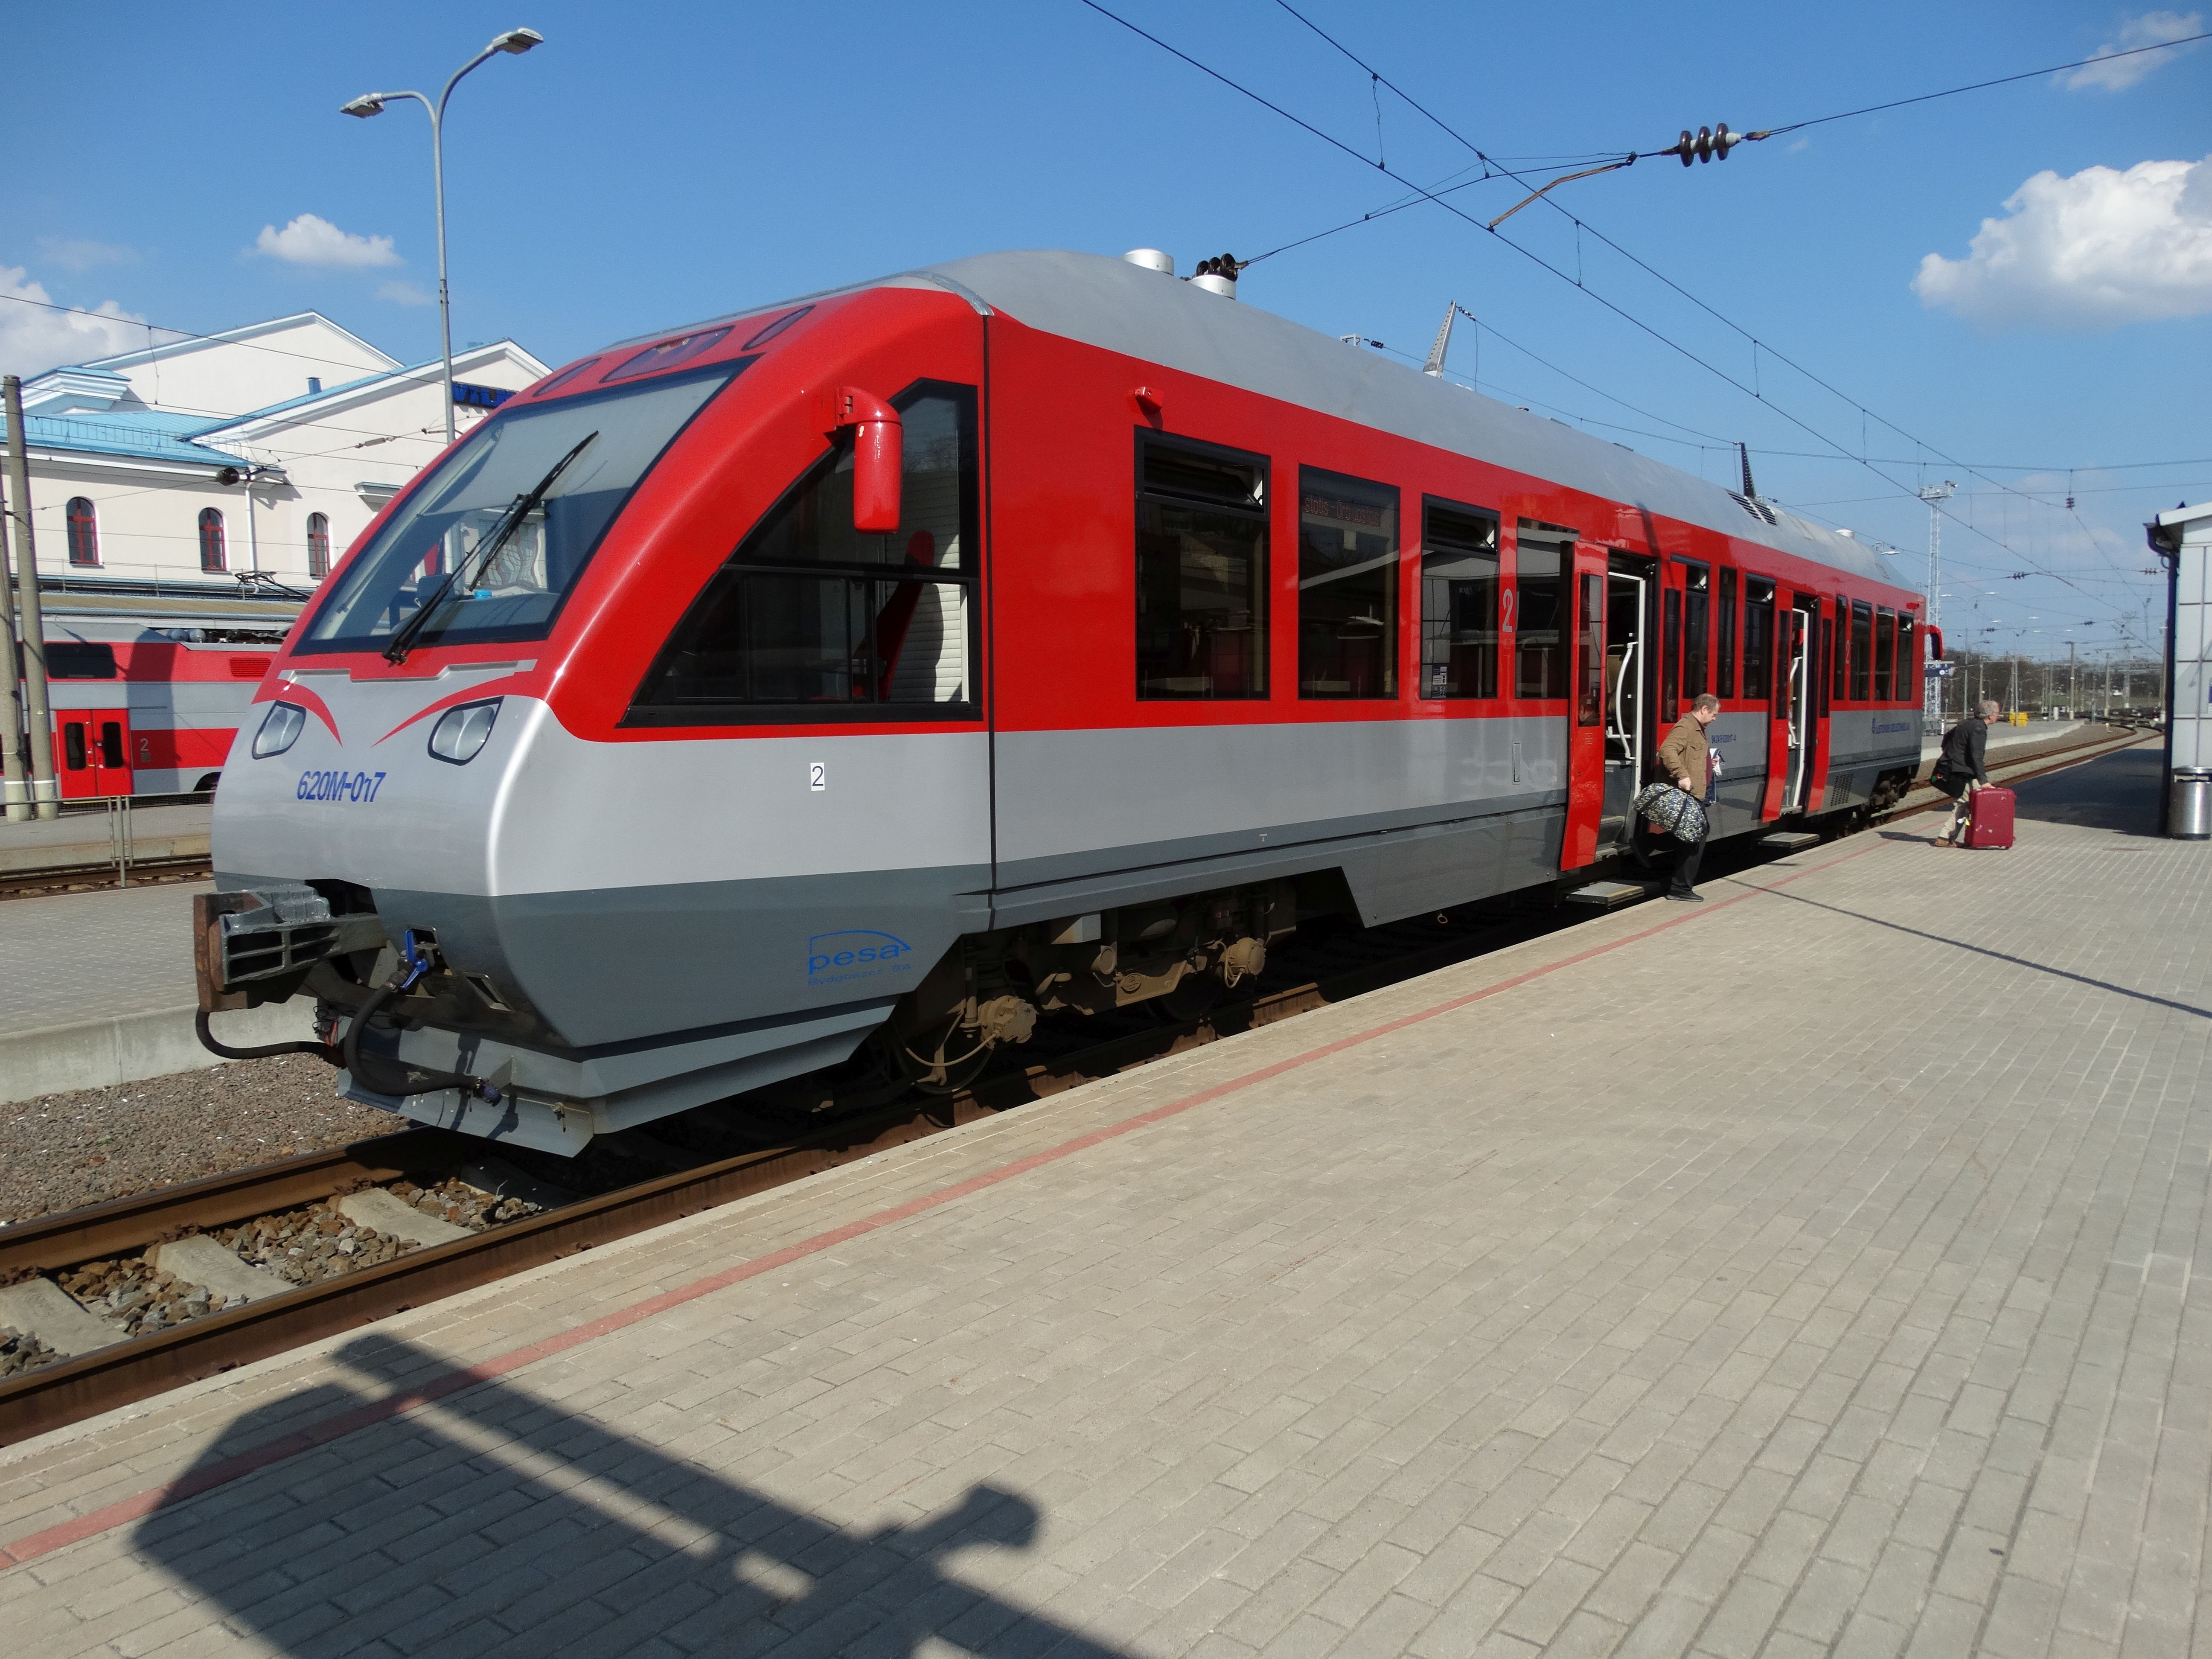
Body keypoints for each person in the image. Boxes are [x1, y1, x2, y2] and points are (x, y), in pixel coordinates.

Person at [1654, 692, 1723, 901]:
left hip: (1696, 793)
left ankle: (1647, 845)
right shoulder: (1686, 727)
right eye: (1714, 714)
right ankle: (1680, 889)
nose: (1714, 719)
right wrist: (1682, 775)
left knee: (1693, 836)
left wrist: (1708, 762)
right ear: (1704, 709)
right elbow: (1667, 750)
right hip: (1688, 793)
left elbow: (1690, 755)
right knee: (1696, 838)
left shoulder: (1698, 729)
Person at [1932, 700, 2002, 846]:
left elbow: (1947, 737)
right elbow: (1977, 756)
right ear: (1990, 715)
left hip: (1956, 768)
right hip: (1959, 771)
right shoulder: (1979, 728)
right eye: (1997, 713)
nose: (1998, 716)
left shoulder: (1966, 723)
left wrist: (1949, 754)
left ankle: (1959, 837)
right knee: (1964, 803)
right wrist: (1984, 781)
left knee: (1968, 803)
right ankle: (1945, 837)